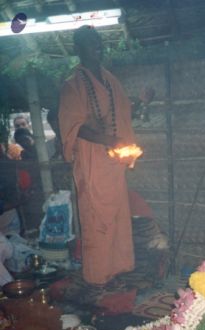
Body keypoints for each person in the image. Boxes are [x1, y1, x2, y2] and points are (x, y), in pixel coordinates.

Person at [59, 25, 136, 286]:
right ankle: (97, 276)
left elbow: (122, 112)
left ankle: (119, 267)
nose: (98, 48)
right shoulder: (73, 86)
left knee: (117, 215)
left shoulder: (111, 81)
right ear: (78, 50)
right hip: (92, 162)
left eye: (99, 43)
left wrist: (141, 103)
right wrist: (107, 140)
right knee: (95, 218)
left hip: (112, 163)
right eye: (92, 44)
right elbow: (73, 126)